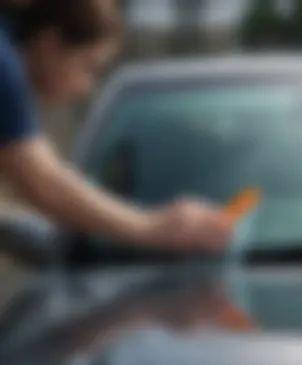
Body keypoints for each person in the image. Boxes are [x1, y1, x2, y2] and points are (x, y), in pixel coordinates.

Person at [0, 0, 232, 253]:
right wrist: (153, 227)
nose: (86, 88)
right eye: (90, 67)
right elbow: (40, 181)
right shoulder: (4, 66)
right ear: (51, 44)